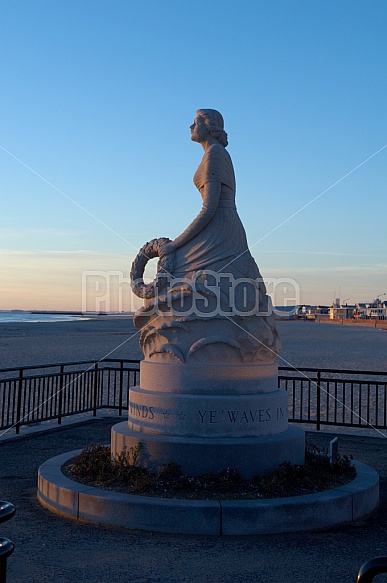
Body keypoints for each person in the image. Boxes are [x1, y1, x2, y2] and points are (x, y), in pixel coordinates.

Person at [134, 109, 280, 363]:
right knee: (187, 276)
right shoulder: (213, 155)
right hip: (221, 224)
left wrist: (175, 245)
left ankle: (208, 335)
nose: (190, 125)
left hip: (220, 227)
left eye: (196, 122)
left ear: (209, 127)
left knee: (182, 270)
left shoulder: (215, 155)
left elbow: (209, 208)